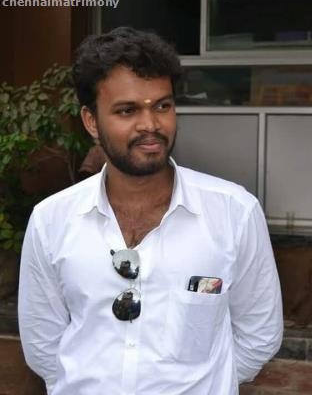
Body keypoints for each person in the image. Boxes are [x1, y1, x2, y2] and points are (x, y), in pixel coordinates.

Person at [18, 27, 283, 395]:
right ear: (91, 121)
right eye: (127, 110)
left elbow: (259, 334)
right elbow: (42, 343)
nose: (151, 125)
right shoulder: (52, 220)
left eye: (162, 106)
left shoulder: (233, 212)